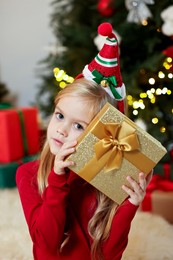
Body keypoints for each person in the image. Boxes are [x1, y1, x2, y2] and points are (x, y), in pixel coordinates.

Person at [16, 23, 153, 260]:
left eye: (79, 126)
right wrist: (57, 180)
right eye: (60, 116)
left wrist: (129, 205)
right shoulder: (28, 174)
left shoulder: (105, 181)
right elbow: (47, 245)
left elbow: (109, 255)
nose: (62, 130)